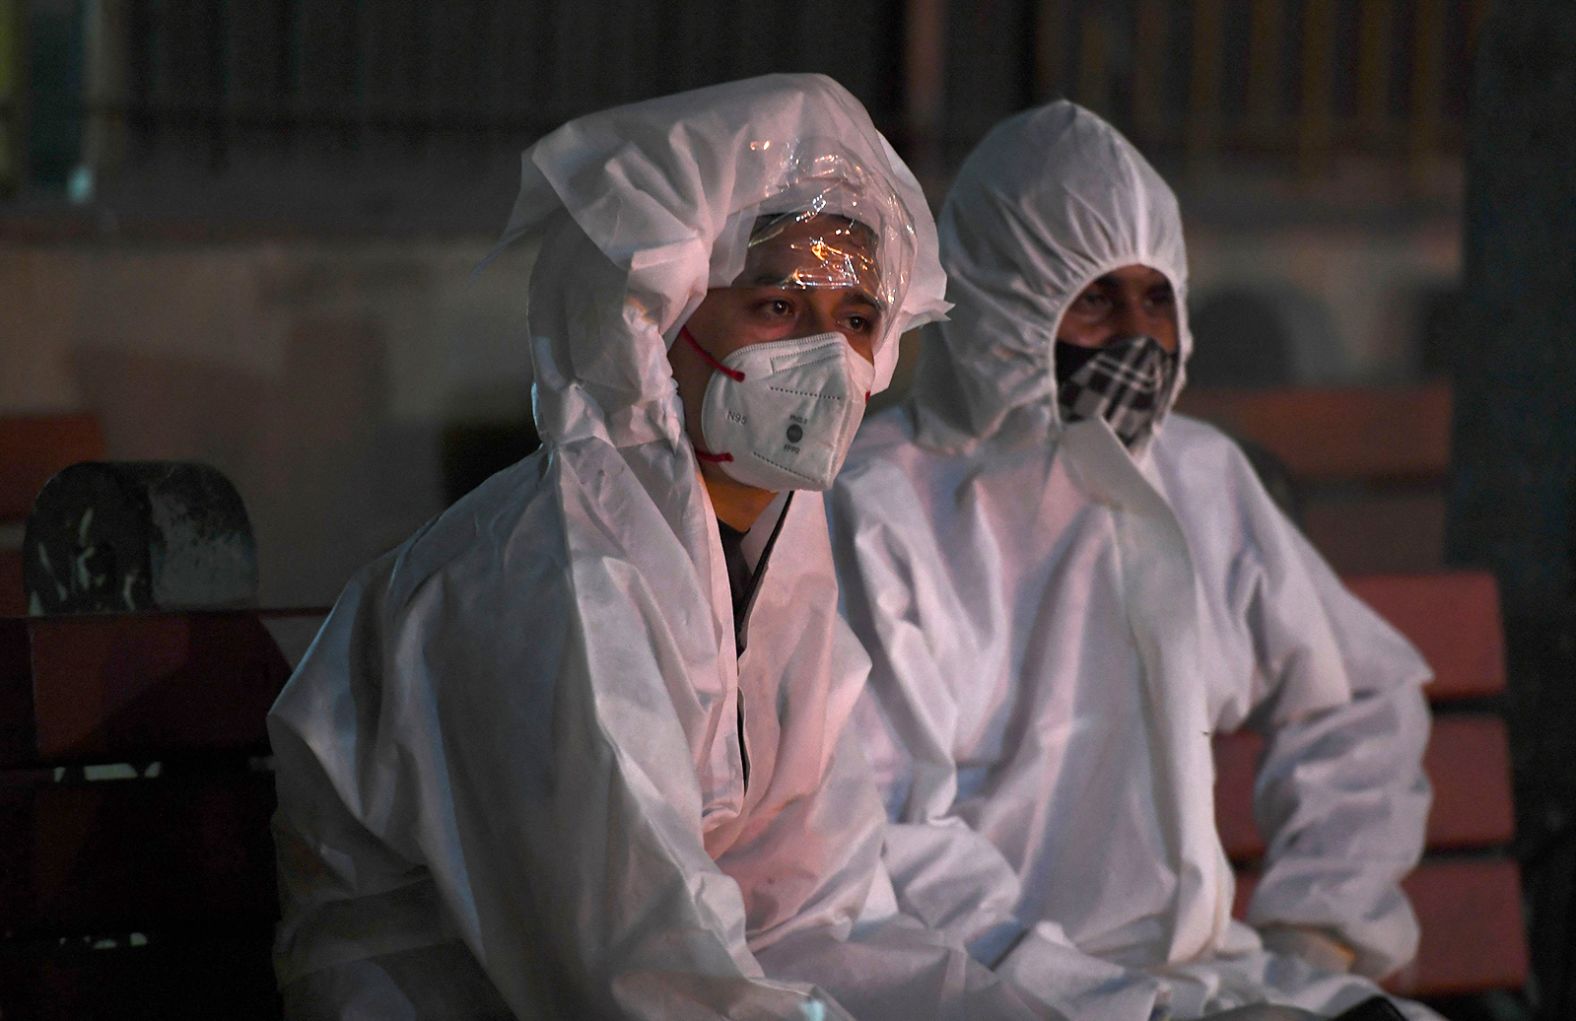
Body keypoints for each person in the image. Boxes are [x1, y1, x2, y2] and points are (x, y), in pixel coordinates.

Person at [267, 75, 1052, 1020]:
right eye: (777, 307)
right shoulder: (547, 577)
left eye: (856, 321)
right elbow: (640, 972)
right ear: (653, 320)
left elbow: (815, 920)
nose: (826, 360)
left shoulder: (778, 575)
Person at [829, 101, 1440, 1020]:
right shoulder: (884, 505)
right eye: (1093, 300)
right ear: (1000, 303)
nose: (1137, 338)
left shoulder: (1198, 477)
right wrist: (1092, 997)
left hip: (1217, 979)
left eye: (1157, 297)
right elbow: (882, 829)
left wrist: (1322, 922)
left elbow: (1358, 696)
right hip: (1000, 995)